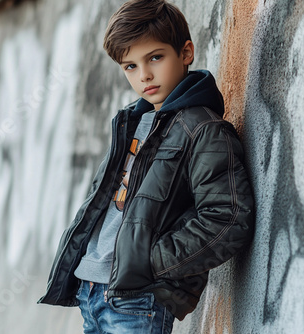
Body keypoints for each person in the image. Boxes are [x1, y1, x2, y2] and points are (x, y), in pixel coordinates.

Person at [38, 0, 255, 333]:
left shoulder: (203, 129)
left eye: (155, 57)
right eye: (130, 67)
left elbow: (227, 218)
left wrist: (151, 263)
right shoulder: (131, 123)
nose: (145, 76)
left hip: (137, 300)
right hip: (91, 290)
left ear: (185, 52)